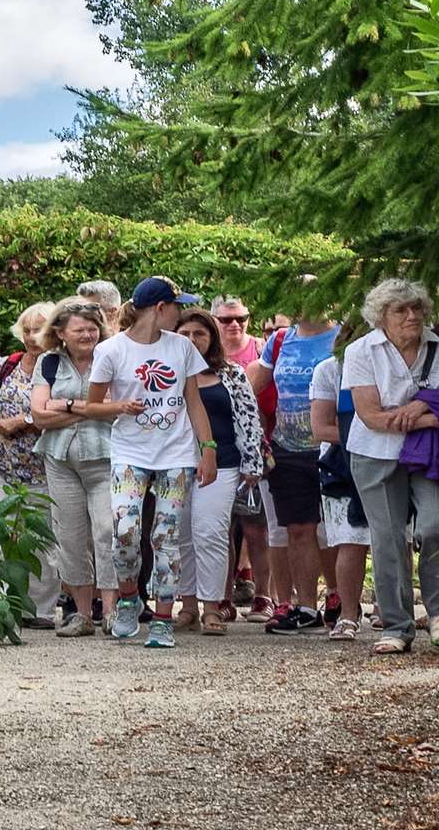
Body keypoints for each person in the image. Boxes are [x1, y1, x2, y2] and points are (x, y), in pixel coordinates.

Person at [86, 276, 219, 649]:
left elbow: (194, 401)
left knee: (166, 535)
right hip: (130, 453)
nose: (181, 314)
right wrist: (119, 407)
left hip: (175, 454)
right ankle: (130, 597)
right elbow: (93, 405)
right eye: (177, 307)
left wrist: (207, 448)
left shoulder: (181, 348)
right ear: (160, 308)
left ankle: (163, 617)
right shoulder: (112, 350)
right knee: (125, 532)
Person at [342, 278, 439, 654]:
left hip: (431, 452)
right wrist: (433, 414)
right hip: (374, 452)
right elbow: (371, 417)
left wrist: (422, 406)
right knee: (388, 538)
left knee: (437, 524)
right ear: (381, 316)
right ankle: (397, 626)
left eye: (416, 308)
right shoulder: (361, 351)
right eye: (401, 310)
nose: (411, 316)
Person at [249, 292, 340, 635]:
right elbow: (254, 385)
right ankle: (304, 606)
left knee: (332, 528)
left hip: (331, 445)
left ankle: (339, 597)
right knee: (298, 528)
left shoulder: (342, 336)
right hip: (288, 446)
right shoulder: (280, 340)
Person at [172, 309, 266, 635]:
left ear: (211, 337)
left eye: (199, 333)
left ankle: (212, 607)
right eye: (184, 334)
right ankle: (187, 607)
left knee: (210, 532)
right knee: (180, 536)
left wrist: (252, 465)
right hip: (174, 464)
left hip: (224, 462)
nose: (192, 340)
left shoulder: (232, 374)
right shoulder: (165, 372)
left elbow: (250, 420)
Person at [31, 300, 122, 637]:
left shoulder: (111, 356)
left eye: (92, 327)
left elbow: (118, 410)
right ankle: (82, 614)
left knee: (106, 532)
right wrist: (90, 408)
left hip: (106, 457)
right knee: (69, 535)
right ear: (60, 333)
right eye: (79, 329)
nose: (87, 334)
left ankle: (112, 611)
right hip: (60, 458)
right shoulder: (49, 362)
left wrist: (65, 404)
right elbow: (39, 415)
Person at [0, 301, 61, 627]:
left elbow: (66, 413)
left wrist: (23, 421)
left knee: (41, 539)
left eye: (40, 329)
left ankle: (39, 610)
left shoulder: (60, 368)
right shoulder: (7, 365)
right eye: (28, 330)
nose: (33, 336)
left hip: (43, 468)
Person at [211, 294, 270, 611]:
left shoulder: (260, 349)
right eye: (226, 319)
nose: (235, 324)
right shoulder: (205, 356)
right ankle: (222, 597)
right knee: (222, 529)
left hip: (253, 447)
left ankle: (264, 596)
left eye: (241, 318)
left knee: (256, 529)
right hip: (216, 452)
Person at [311, 339, 369, 641]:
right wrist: (373, 431)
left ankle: (394, 614)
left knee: (395, 537)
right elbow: (320, 428)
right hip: (341, 463)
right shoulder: (329, 371)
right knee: (349, 539)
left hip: (390, 458)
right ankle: (348, 614)